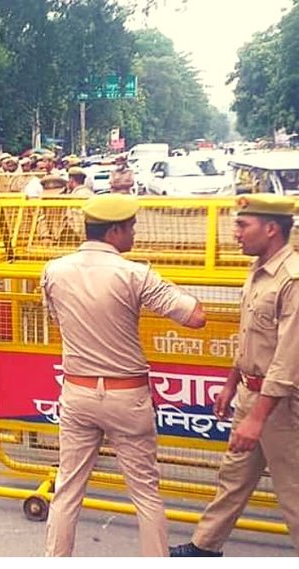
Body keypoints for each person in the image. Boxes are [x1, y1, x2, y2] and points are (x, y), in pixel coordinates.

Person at [41, 193, 207, 557]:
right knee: (146, 494)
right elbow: (195, 317)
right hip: (127, 398)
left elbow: (56, 319)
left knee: (67, 490)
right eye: (131, 226)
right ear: (115, 231)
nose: (135, 232)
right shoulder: (135, 274)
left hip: (77, 392)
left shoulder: (54, 270)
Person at [170, 194, 299, 557]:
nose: (235, 233)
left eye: (243, 224)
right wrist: (231, 383)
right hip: (252, 395)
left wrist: (258, 418)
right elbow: (251, 340)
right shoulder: (260, 271)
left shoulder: (297, 281)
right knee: (234, 478)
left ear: (271, 228)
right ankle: (205, 547)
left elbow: (289, 360)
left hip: (280, 405)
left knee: (296, 494)